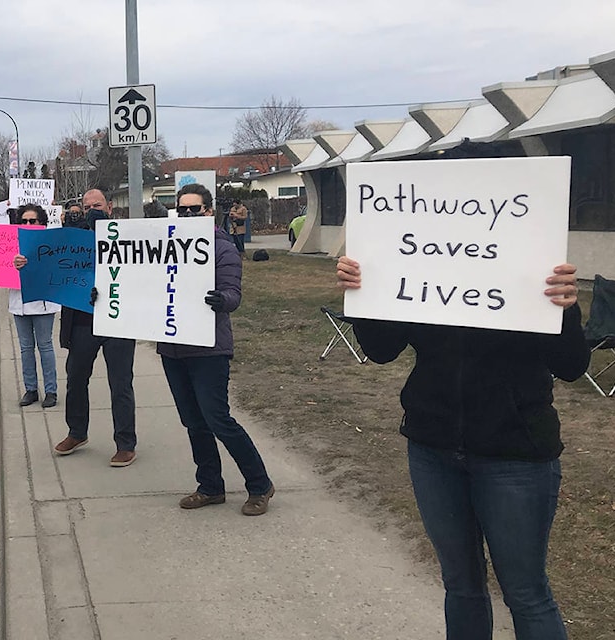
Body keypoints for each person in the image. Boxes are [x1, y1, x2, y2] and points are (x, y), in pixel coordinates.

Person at [335, 255, 589, 639]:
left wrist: (565, 310)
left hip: (515, 451)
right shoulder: (421, 258)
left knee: (525, 593)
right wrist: (364, 294)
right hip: (432, 445)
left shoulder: (533, 257)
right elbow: (382, 349)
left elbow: (571, 365)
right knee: (461, 585)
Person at [158, 183, 274, 515]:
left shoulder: (222, 248)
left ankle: (260, 484)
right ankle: (210, 486)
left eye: (194, 209)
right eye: (182, 209)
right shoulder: (165, 244)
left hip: (208, 349)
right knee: (193, 421)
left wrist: (219, 300)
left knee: (217, 419)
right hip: (173, 348)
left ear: (209, 211)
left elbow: (233, 295)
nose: (188, 214)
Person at [47, 189, 138, 466]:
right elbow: (50, 263)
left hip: (118, 319)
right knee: (75, 378)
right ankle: (77, 432)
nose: (91, 211)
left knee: (120, 383)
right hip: (83, 320)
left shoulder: (126, 235)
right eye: (86, 207)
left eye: (97, 206)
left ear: (109, 207)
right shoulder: (72, 236)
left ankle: (125, 443)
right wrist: (23, 264)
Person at [8, 204, 61, 408]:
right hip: (19, 302)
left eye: (33, 221)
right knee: (25, 348)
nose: (28, 224)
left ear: (42, 223)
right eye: (24, 221)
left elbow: (55, 268)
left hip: (42, 303)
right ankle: (31, 389)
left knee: (45, 346)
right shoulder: (12, 242)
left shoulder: (50, 243)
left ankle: (51, 390)